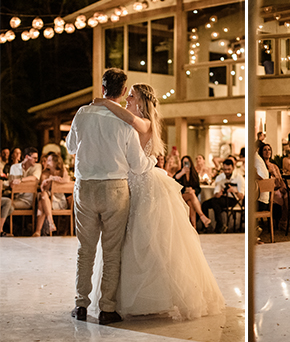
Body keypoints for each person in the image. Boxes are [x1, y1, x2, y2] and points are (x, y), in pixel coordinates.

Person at [87, 79, 224, 321]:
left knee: (150, 241)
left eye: (131, 96)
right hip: (128, 182)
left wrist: (105, 102)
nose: (127, 99)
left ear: (141, 102)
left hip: (145, 184)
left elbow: (130, 120)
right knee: (127, 241)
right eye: (127, 95)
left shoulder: (144, 122)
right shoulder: (127, 121)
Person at [66, 69, 156, 325]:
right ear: (123, 90)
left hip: (85, 188)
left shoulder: (83, 113)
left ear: (102, 87)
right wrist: (153, 161)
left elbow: (71, 147)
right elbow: (138, 166)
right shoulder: (124, 121)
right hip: (115, 189)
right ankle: (106, 308)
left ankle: (80, 305)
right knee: (112, 251)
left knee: (85, 250)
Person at [200, 159, 245, 234]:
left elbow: (241, 197)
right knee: (205, 204)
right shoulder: (220, 177)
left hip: (233, 199)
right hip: (221, 198)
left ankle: (220, 225)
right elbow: (216, 194)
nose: (227, 171)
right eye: (225, 169)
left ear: (233, 168)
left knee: (215, 202)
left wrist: (235, 191)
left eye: (229, 169)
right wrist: (219, 193)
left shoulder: (239, 178)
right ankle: (207, 226)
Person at [33, 152, 69, 236]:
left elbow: (66, 180)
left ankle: (38, 231)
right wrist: (48, 181)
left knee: (42, 202)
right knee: (43, 196)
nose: (47, 162)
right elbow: (43, 189)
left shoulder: (62, 171)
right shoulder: (45, 173)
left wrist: (52, 178)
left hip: (60, 202)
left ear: (55, 162)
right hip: (49, 201)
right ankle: (50, 223)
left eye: (49, 160)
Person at [174, 155, 212, 229]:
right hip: (180, 196)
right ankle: (202, 216)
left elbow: (198, 188)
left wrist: (193, 190)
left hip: (190, 197)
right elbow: (174, 180)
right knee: (191, 195)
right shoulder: (180, 172)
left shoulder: (194, 174)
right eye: (184, 162)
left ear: (190, 163)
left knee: (190, 203)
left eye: (187, 162)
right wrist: (182, 172)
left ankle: (193, 227)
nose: (186, 164)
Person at [8, 147, 42, 213]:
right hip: (14, 197)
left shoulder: (37, 166)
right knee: (5, 204)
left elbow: (34, 177)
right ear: (27, 157)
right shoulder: (14, 167)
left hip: (26, 201)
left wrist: (20, 180)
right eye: (34, 158)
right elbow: (11, 184)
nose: (36, 160)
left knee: (5, 205)